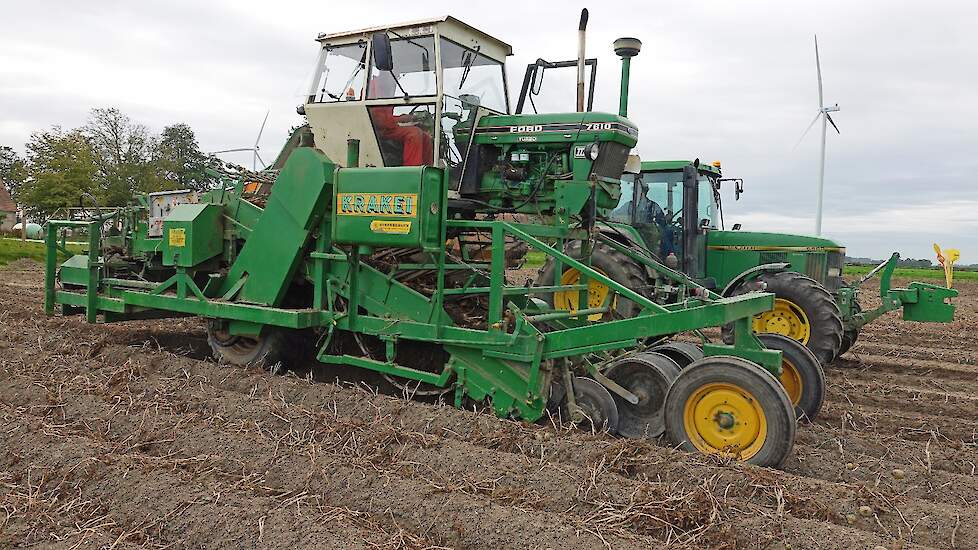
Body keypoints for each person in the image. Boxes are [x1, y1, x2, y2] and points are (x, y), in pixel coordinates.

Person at [368, 72, 433, 166]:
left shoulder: (386, 87)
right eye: (395, 75)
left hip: (386, 126)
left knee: (426, 137)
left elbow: (384, 117)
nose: (396, 78)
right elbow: (375, 119)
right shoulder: (371, 88)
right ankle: (412, 172)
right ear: (385, 72)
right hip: (377, 129)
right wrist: (399, 120)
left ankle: (428, 172)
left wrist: (401, 118)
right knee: (414, 134)